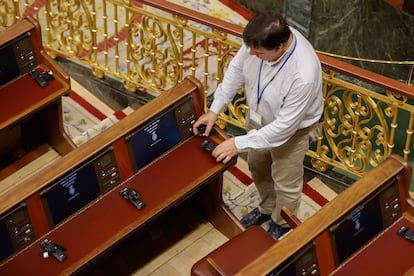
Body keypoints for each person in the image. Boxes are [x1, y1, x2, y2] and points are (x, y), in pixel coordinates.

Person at [193, 13, 323, 240]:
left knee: (286, 181)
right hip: (259, 116)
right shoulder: (258, 41)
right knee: (257, 166)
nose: (251, 54)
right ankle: (266, 208)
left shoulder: (304, 74)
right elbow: (236, 70)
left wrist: (237, 143)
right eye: (250, 48)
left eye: (258, 52)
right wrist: (215, 109)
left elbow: (284, 128)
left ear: (281, 46)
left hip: (293, 130)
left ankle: (281, 223)